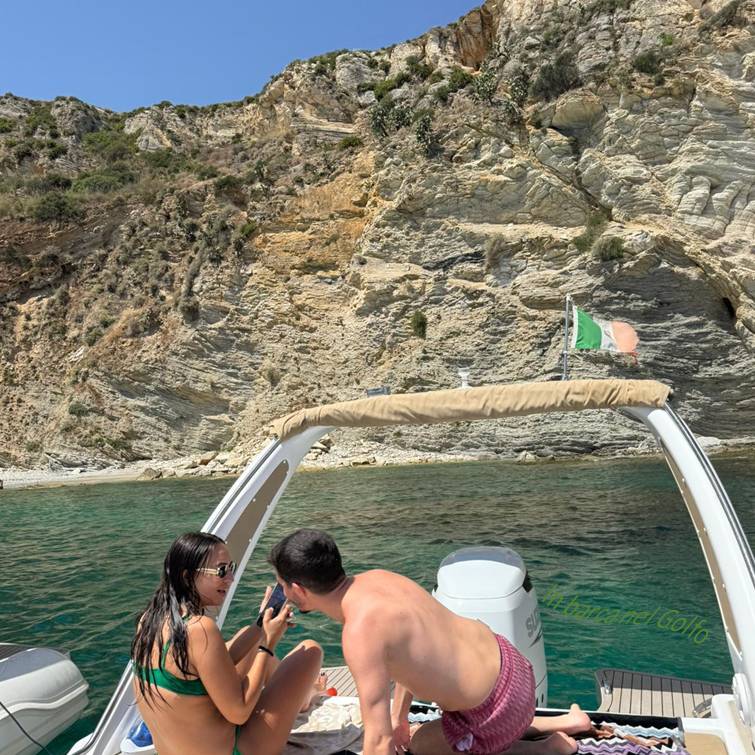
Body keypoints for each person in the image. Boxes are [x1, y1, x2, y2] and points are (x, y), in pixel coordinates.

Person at [269, 529, 592, 755]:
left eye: (282, 585)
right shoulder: (381, 578)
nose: (283, 592)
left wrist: (392, 731)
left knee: (421, 745)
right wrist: (399, 718)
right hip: (515, 669)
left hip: (497, 710)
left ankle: (549, 748)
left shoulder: (359, 632)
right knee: (421, 731)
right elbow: (410, 654)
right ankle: (568, 721)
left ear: (298, 590)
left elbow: (378, 740)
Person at [131, 531, 323, 755]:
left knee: (247, 637)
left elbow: (211, 665)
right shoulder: (201, 629)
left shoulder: (150, 620)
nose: (231, 578)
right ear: (187, 576)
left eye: (231, 568)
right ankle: (305, 696)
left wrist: (261, 625)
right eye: (221, 570)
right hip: (235, 751)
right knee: (311, 650)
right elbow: (239, 713)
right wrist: (268, 644)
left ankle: (303, 696)